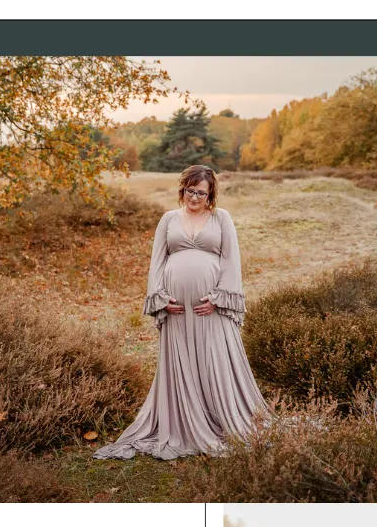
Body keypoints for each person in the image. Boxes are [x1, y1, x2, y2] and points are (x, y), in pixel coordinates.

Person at [94, 163, 268, 463]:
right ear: (182, 189)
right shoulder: (169, 219)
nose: (195, 197)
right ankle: (183, 422)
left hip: (209, 308)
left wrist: (218, 298)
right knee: (182, 360)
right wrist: (160, 299)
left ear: (210, 193)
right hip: (175, 309)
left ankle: (220, 418)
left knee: (213, 360)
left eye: (201, 192)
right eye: (190, 190)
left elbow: (231, 261)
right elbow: (157, 262)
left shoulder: (221, 218)